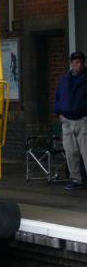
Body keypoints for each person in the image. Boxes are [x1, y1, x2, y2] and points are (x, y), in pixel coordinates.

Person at [54, 50, 87, 190]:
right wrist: (59, 113)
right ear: (71, 63)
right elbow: (58, 97)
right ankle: (76, 179)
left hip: (83, 120)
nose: (79, 65)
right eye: (76, 62)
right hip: (67, 121)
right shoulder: (65, 79)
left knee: (86, 152)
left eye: (81, 62)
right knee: (71, 152)